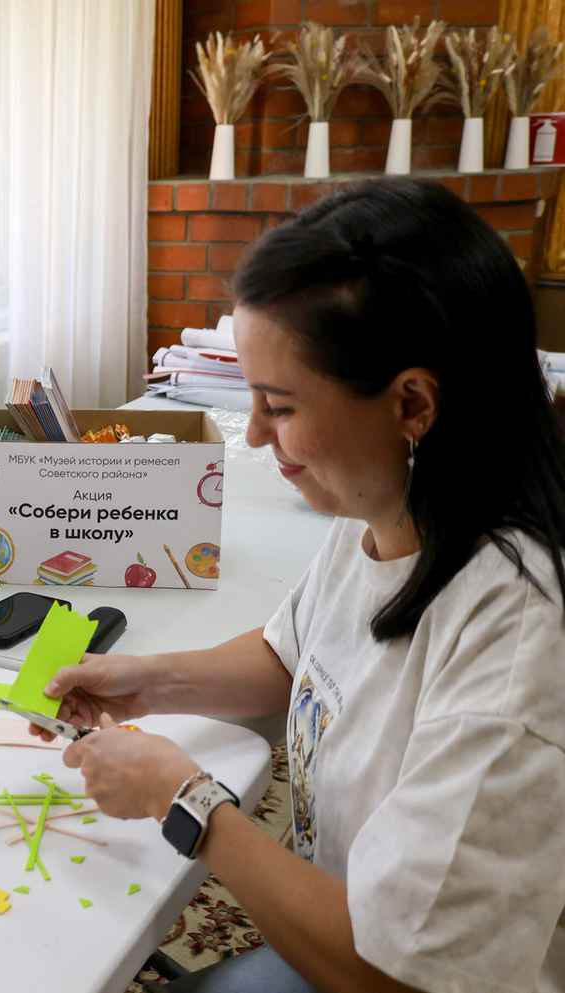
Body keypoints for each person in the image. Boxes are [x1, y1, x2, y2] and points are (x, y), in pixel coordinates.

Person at [35, 178, 565, 993]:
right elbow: (294, 654)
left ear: (412, 404)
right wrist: (143, 681)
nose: (253, 434)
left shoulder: (517, 638)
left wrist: (186, 800)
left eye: (278, 406)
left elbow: (393, 975)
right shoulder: (388, 510)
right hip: (352, 926)